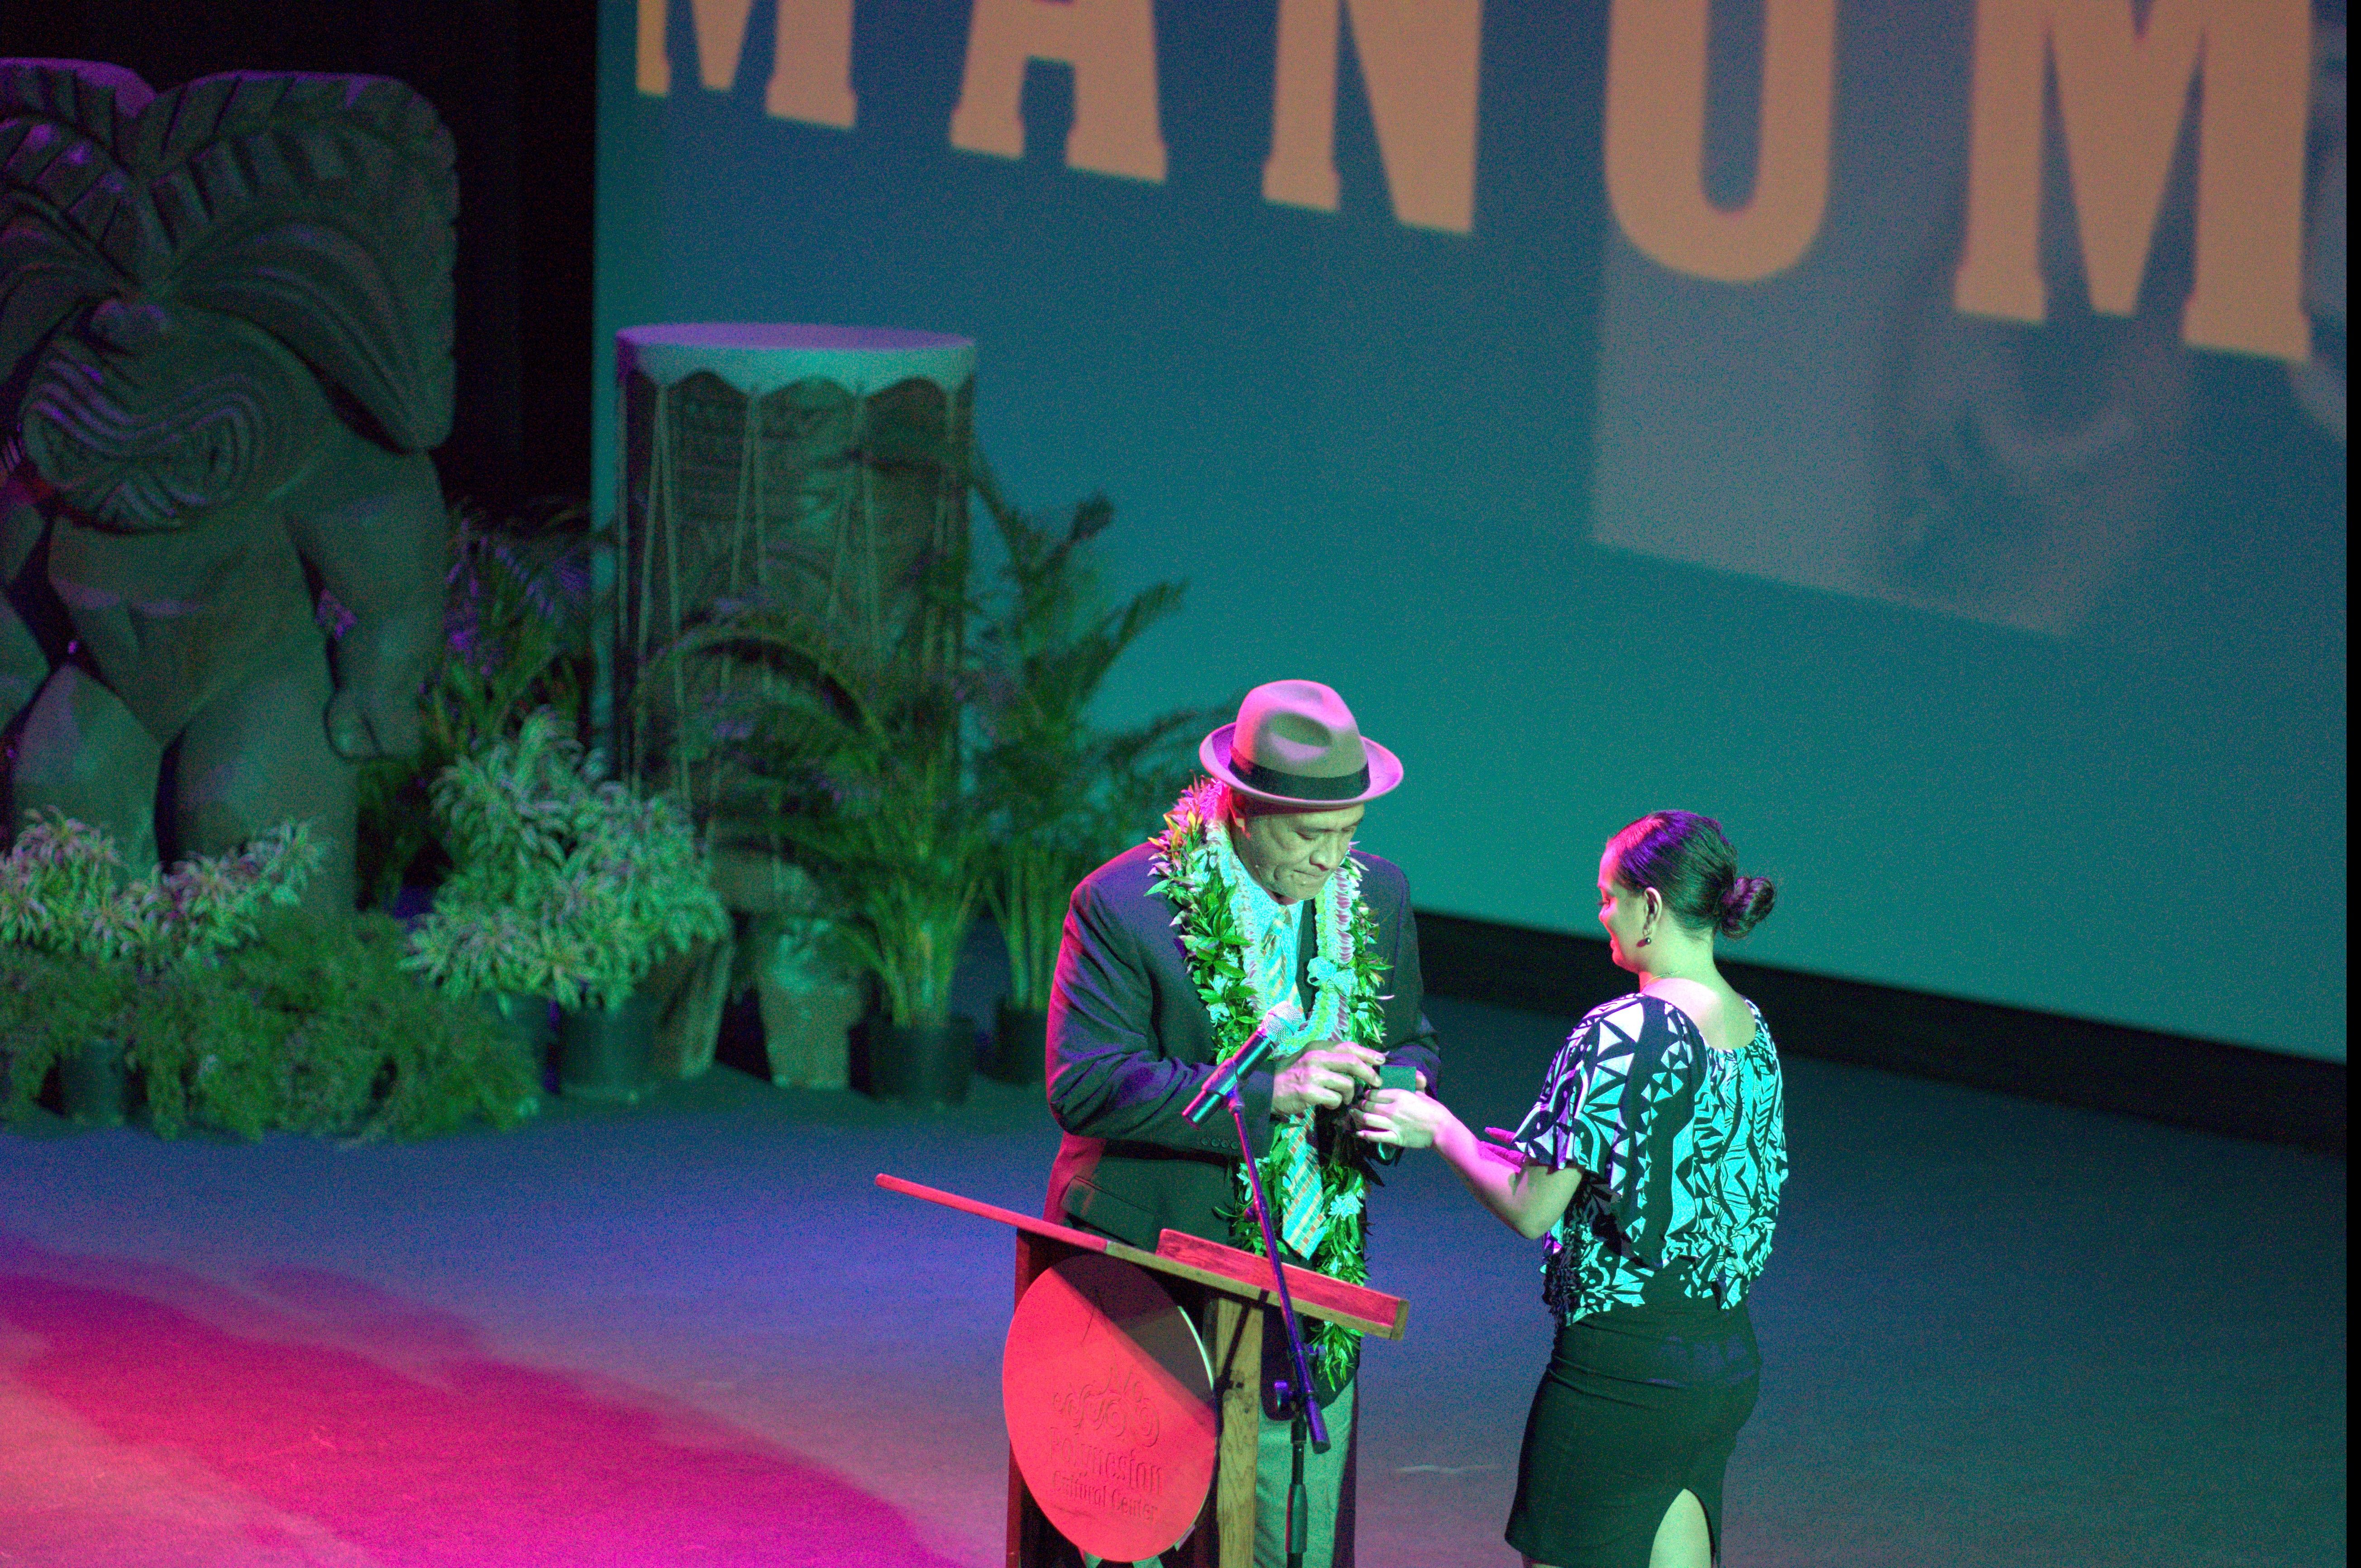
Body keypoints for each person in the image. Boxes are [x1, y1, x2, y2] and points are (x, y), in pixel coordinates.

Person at [1044, 679, 1443, 1568]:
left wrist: (1397, 1093)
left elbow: (1411, 1035)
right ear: (1243, 810)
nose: (1332, 859)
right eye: (1310, 836)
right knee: (1140, 1528)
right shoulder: (1126, 904)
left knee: (1285, 1527)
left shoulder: (1377, 892)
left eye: (1349, 833)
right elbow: (1086, 1084)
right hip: (1156, 1250)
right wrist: (1276, 1091)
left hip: (1310, 1260)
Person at [1360, 811, 1786, 1568]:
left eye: (1608, 896)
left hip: (1621, 1377)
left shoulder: (1623, 1031)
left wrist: (1444, 1131)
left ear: (1650, 906)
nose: (1601, 917)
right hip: (1720, 1366)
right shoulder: (1753, 1030)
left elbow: (1533, 1209)